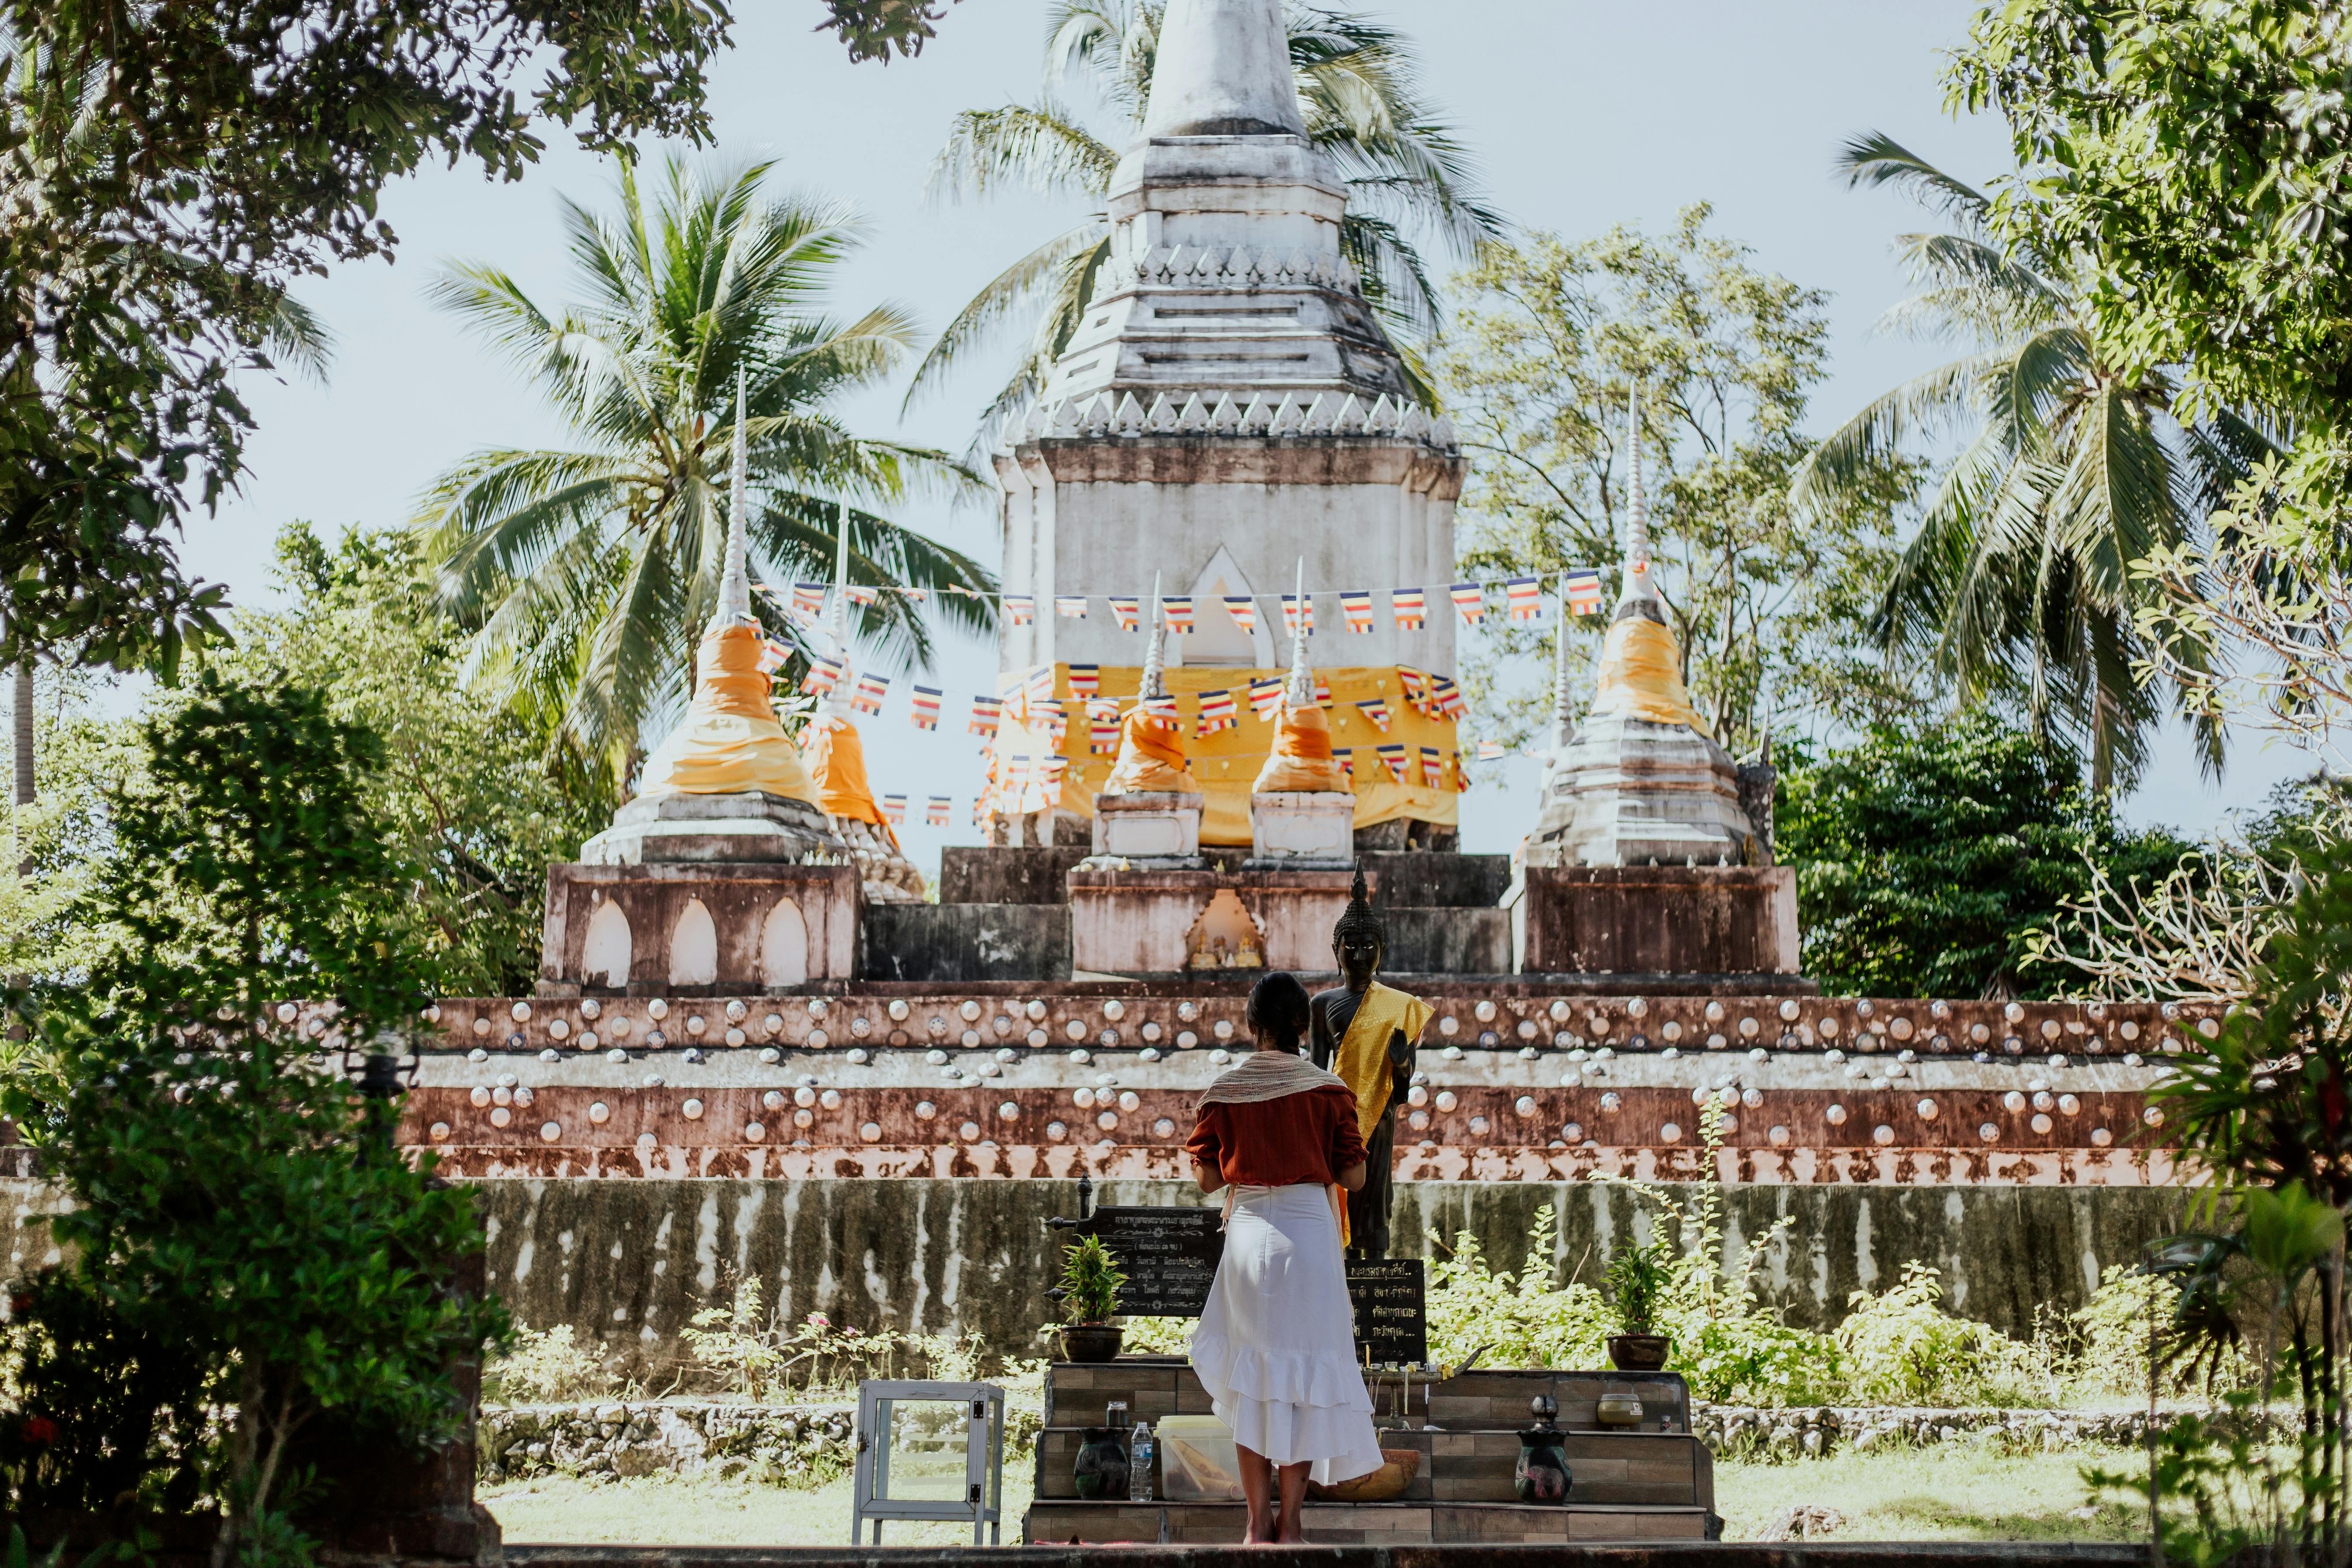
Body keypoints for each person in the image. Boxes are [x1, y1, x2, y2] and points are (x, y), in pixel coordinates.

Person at [1186, 971, 1383, 1545]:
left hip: (1249, 1231)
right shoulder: (1329, 1092)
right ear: (1305, 1026)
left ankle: (1255, 1524)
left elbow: (1206, 1180)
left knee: (1256, 1380)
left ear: (1253, 1026)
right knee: (1301, 1378)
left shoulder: (1224, 1091)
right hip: (1310, 1237)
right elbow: (1353, 1174)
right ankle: (1292, 1522)